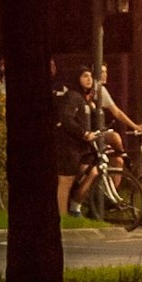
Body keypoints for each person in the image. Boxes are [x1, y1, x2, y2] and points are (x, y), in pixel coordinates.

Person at [52, 60, 99, 216]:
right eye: (85, 76)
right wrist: (84, 133)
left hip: (81, 147)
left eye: (90, 76)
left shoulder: (84, 98)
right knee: (65, 181)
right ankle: (63, 217)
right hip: (69, 145)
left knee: (92, 172)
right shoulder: (72, 96)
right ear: (76, 78)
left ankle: (75, 205)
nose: (89, 79)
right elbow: (66, 118)